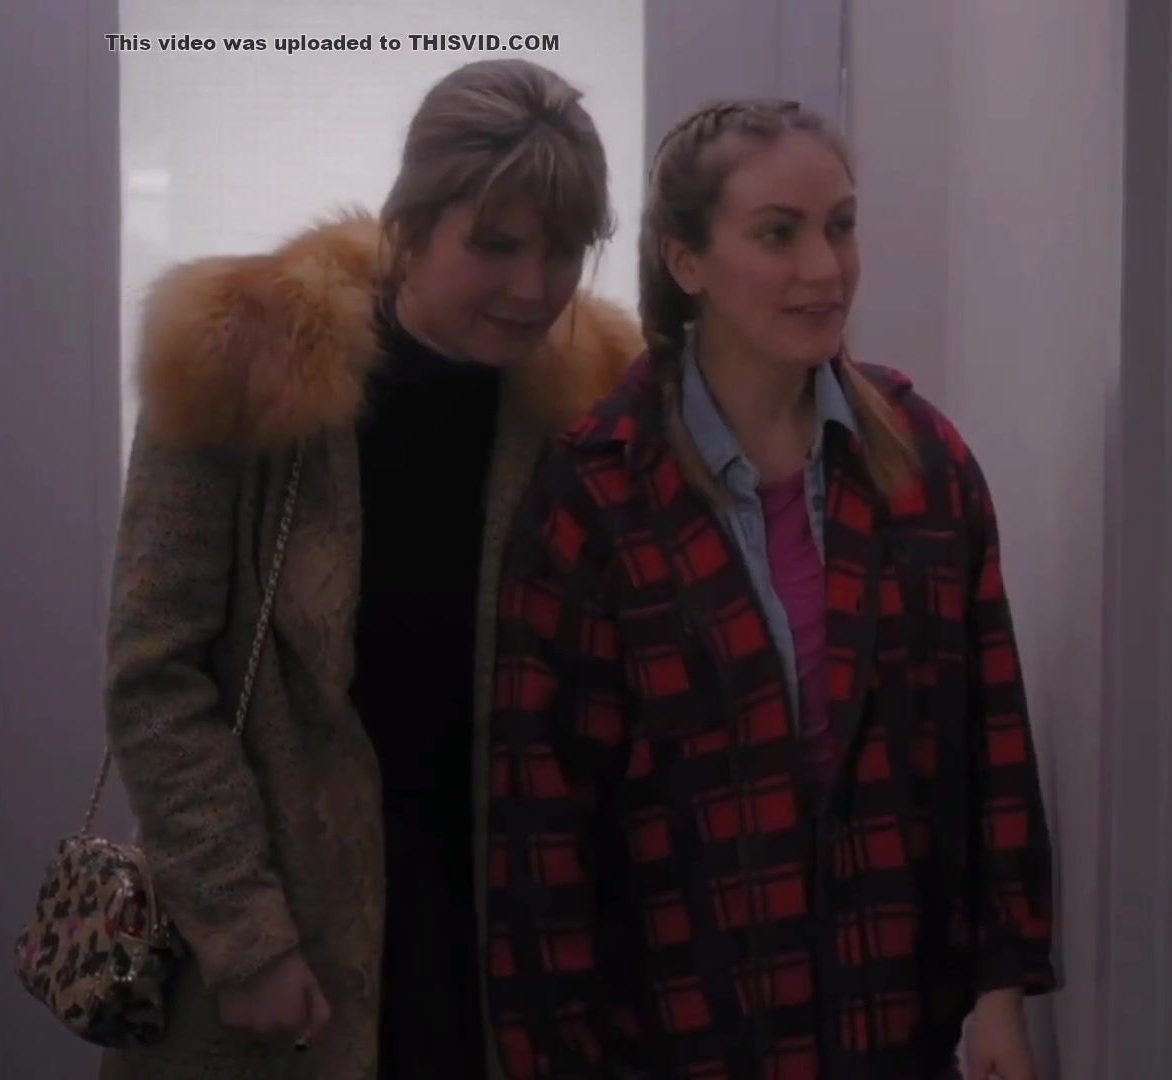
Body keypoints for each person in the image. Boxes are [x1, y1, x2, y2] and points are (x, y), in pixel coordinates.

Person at [485, 98, 1056, 1079]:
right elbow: (544, 826)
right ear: (686, 261)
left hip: (896, 1022)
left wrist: (1000, 991)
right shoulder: (599, 493)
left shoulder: (922, 465)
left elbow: (991, 746)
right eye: (777, 234)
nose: (824, 269)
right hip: (686, 1031)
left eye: (840, 226)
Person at [100, 58, 640, 1079]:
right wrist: (244, 932)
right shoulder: (244, 362)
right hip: (282, 936)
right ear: (411, 224)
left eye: (565, 249)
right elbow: (155, 675)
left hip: (497, 942)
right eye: (495, 245)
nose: (534, 287)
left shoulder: (590, 400)